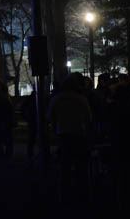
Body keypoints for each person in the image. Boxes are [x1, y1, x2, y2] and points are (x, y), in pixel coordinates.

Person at [48, 73, 93, 202]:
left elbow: (49, 117)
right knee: (81, 168)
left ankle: (64, 195)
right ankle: (83, 195)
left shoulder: (57, 99)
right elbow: (89, 118)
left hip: (63, 136)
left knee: (64, 168)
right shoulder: (81, 99)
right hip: (79, 135)